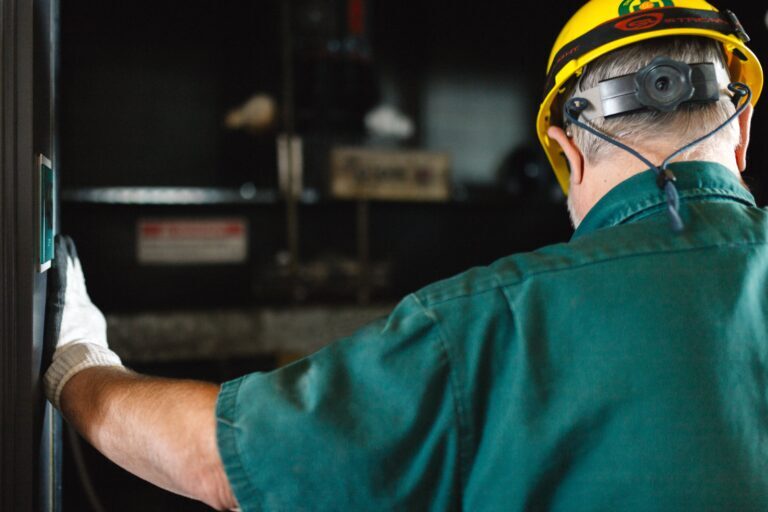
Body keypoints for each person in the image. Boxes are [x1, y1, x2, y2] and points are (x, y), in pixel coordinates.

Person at [44, 1, 768, 510]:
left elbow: (220, 462)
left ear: (567, 150)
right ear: (742, 135)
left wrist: (80, 369)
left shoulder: (490, 325)